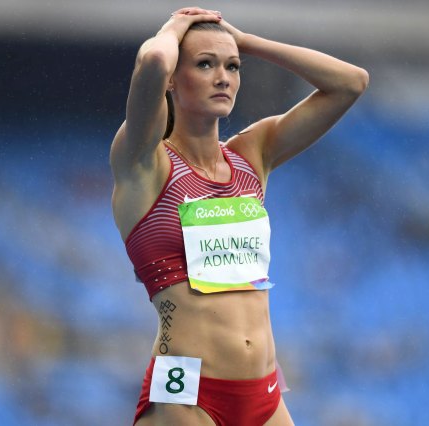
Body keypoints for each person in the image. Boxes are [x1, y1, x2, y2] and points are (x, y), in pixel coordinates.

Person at [110, 7, 369, 425]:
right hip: (187, 392)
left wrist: (246, 41)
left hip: (264, 391)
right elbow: (154, 61)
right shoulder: (145, 164)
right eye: (205, 64)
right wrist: (175, 28)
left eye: (232, 66)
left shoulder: (253, 154)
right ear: (174, 78)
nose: (223, 77)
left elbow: (350, 83)